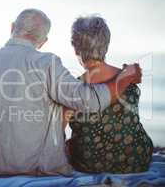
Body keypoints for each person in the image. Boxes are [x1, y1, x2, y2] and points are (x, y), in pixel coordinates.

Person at [0, 9, 142, 175]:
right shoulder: (46, 63)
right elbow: (90, 101)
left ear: (12, 27)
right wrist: (125, 77)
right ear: (43, 42)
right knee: (59, 100)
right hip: (26, 166)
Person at [65, 15, 153, 173]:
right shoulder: (128, 77)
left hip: (91, 163)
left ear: (76, 48)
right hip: (137, 158)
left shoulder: (73, 88)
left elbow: (57, 133)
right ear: (106, 43)